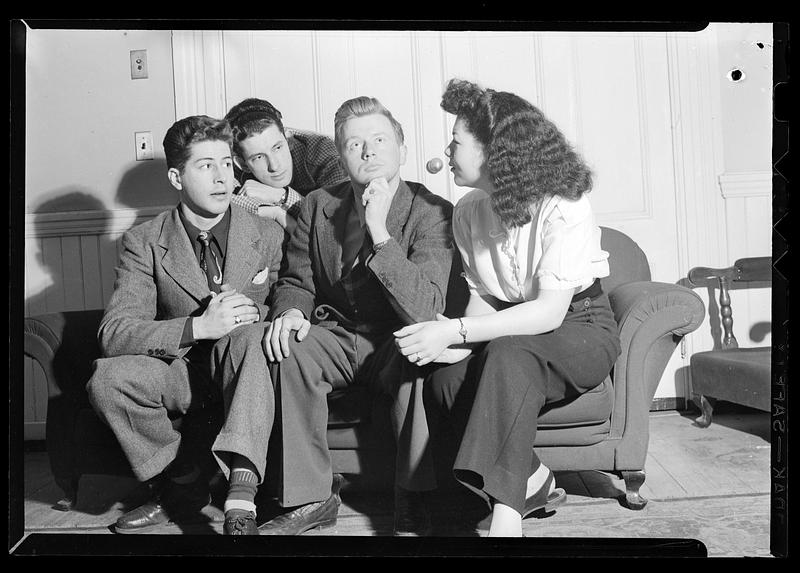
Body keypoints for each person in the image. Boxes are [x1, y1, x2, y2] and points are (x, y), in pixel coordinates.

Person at [209, 95, 458, 536]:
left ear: (401, 147)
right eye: (354, 144)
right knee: (286, 347)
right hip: (338, 334)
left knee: (419, 350)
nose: (369, 152)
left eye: (380, 140)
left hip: (397, 336)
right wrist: (289, 313)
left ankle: (412, 498)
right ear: (340, 154)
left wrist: (380, 233)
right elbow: (295, 282)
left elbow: (426, 305)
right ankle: (312, 499)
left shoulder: (432, 211)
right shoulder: (316, 206)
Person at [394, 79, 622, 537]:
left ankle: (506, 520)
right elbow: (483, 295)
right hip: (514, 328)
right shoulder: (468, 212)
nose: (447, 150)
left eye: (456, 142)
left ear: (494, 151)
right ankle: (534, 480)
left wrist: (456, 331)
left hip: (580, 326)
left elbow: (548, 314)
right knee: (445, 378)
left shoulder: (564, 203)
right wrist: (452, 346)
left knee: (509, 353)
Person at [85, 115, 285, 534]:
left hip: (252, 373)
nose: (221, 178)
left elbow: (293, 299)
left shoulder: (269, 234)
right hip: (186, 375)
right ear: (176, 176)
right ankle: (182, 485)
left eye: (227, 164)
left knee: (249, 335)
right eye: (205, 166)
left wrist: (258, 316)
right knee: (107, 380)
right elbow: (115, 331)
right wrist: (198, 327)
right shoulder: (144, 242)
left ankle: (240, 499)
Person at [225, 98, 349, 230]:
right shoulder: (228, 163)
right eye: (259, 157)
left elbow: (336, 221)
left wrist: (281, 196)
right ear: (242, 164)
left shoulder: (321, 152)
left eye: (277, 148)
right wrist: (275, 213)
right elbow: (213, 202)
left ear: (289, 140)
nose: (274, 166)